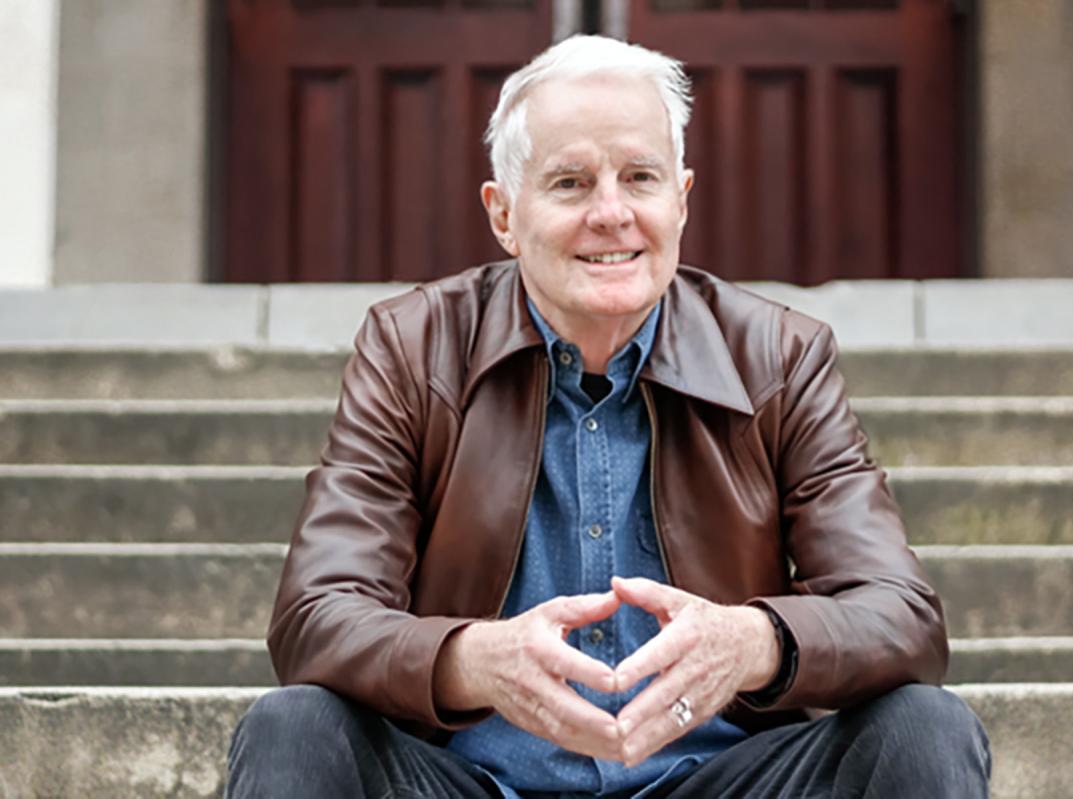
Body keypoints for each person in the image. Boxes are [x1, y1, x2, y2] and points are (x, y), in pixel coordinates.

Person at [227, 35, 990, 798]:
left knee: (923, 725)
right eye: (569, 183)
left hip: (717, 782)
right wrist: (471, 658)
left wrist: (756, 640)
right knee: (293, 726)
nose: (612, 213)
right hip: (473, 783)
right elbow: (316, 616)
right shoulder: (412, 349)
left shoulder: (779, 358)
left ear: (681, 199)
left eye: (640, 178)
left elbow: (902, 616)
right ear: (503, 214)